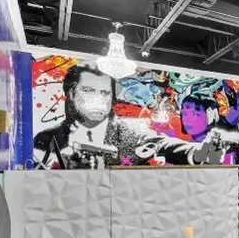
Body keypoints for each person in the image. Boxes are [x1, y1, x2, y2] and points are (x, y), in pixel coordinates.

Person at [33, 65, 223, 168]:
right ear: (72, 93)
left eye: (105, 93)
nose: (99, 99)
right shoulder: (47, 138)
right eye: (89, 90)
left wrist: (198, 153)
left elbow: (162, 144)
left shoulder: (127, 132)